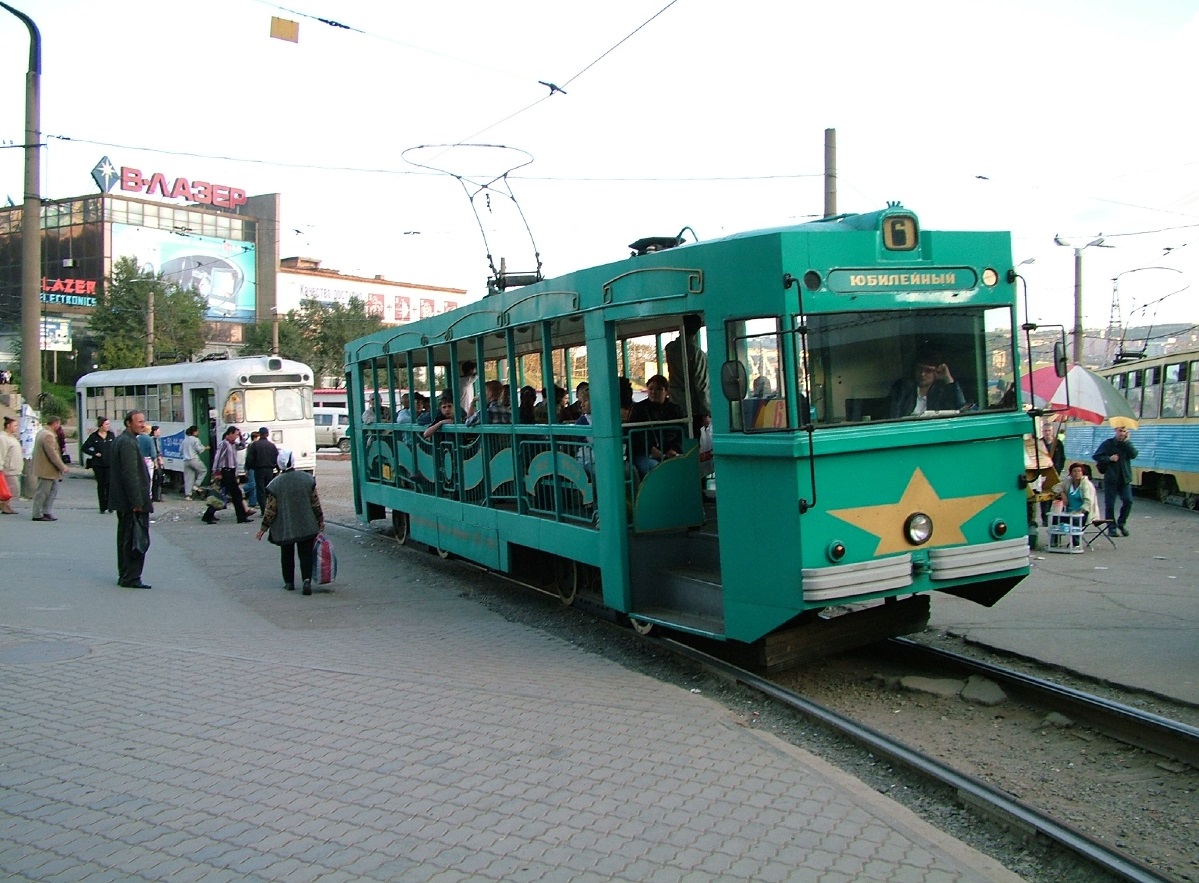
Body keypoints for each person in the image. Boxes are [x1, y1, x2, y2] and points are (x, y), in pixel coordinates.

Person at [256, 449, 325, 595]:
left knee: (286, 553)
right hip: (306, 524)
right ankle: (306, 579)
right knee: (305, 553)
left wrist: (263, 528)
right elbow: (315, 503)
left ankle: (289, 582)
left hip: (285, 526)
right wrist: (320, 520)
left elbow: (271, 510)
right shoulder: (307, 479)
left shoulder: (274, 484)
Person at [109, 410, 152, 588]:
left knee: (127, 538)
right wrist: (137, 502)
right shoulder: (127, 442)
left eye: (143, 421)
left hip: (126, 501)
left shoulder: (126, 440)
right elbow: (130, 474)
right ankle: (131, 576)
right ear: (128, 423)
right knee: (134, 540)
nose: (143, 425)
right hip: (131, 502)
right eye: (139, 421)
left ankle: (126, 575)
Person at [628, 374, 685, 475]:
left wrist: (674, 449)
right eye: (651, 389)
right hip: (644, 453)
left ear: (666, 391)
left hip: (670, 452)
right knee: (655, 468)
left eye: (659, 389)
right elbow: (635, 435)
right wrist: (651, 449)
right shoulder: (639, 408)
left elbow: (682, 432)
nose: (654, 392)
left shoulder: (675, 410)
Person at [666, 314, 712, 439]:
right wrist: (706, 412)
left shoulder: (670, 348)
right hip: (693, 409)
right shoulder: (697, 353)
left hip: (674, 403)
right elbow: (701, 385)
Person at [889, 350, 967, 417]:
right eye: (919, 369)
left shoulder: (942, 391)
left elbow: (961, 408)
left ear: (937, 373)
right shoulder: (903, 388)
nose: (922, 374)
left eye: (928, 371)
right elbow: (895, 416)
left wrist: (948, 378)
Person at [202, 426, 255, 525]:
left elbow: (242, 446)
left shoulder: (233, 444)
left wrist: (241, 436)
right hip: (225, 471)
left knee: (233, 494)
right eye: (235, 434)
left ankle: (240, 516)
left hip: (231, 471)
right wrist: (216, 472)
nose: (235, 436)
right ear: (230, 433)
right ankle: (240, 517)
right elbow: (218, 458)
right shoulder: (224, 444)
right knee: (227, 494)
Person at [1093, 425, 1138, 536]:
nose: (1121, 433)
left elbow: (1134, 454)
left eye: (1124, 431)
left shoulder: (1127, 444)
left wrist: (1127, 442)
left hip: (1124, 478)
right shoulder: (1108, 443)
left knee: (1128, 501)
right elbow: (1096, 456)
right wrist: (1109, 458)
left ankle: (1121, 523)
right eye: (1119, 431)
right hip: (1111, 478)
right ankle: (1111, 528)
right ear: (1115, 431)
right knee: (1110, 504)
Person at [32, 415, 68, 522]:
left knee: (52, 490)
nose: (58, 427)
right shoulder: (48, 435)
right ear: (55, 423)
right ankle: (38, 513)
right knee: (43, 493)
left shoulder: (42, 432)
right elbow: (53, 454)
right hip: (47, 470)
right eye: (58, 424)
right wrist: (62, 466)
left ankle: (46, 511)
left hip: (47, 470)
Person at [80, 415, 116, 513]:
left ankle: (110, 505)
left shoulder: (111, 435)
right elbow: (84, 448)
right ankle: (102, 506)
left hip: (109, 464)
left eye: (109, 424)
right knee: (101, 485)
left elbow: (115, 447)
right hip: (98, 464)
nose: (108, 426)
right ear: (101, 425)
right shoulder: (94, 436)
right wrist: (94, 453)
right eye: (106, 424)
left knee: (109, 484)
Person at [1051, 462, 1098, 528]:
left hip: (1083, 514)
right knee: (1056, 518)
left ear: (1082, 473)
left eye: (1079, 471)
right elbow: (1055, 488)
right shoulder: (1068, 482)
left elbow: (1088, 502)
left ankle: (1076, 538)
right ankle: (1055, 538)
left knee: (1075, 521)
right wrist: (1062, 493)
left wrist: (1079, 512)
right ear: (1071, 473)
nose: (1077, 473)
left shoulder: (1086, 484)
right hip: (1069, 513)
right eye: (1074, 471)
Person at [1038, 419, 1067, 526]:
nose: (1047, 433)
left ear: (1052, 431)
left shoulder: (1058, 443)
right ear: (1042, 431)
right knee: (1043, 495)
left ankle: (1051, 515)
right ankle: (1044, 517)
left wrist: (1059, 469)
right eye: (1045, 431)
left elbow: (1062, 458)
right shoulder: (1040, 443)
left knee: (1052, 493)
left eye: (1049, 430)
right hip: (1043, 473)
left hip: (1055, 472)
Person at [245, 426, 279, 509]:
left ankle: (263, 508)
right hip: (269, 470)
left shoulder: (254, 445)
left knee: (260, 489)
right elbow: (277, 457)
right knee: (269, 488)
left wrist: (248, 468)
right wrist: (278, 469)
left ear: (259, 434)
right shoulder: (272, 445)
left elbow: (249, 458)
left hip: (258, 470)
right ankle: (270, 507)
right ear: (267, 434)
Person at [180, 424, 208, 499]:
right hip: (194, 459)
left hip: (186, 461)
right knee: (203, 470)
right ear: (194, 432)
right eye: (197, 431)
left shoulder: (185, 440)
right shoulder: (195, 440)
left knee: (188, 478)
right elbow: (199, 449)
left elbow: (180, 450)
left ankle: (188, 495)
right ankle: (196, 485)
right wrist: (205, 448)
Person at [0, 415, 21, 515]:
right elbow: (1, 453)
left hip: (14, 468)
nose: (16, 427)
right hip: (8, 468)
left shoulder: (11, 437)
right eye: (15, 425)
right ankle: (4, 505)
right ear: (8, 426)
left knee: (12, 489)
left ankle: (6, 505)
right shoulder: (3, 438)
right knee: (10, 489)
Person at [148, 425, 165, 502]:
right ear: (155, 431)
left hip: (154, 460)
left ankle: (156, 496)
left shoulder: (155, 439)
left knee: (155, 478)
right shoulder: (153, 439)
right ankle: (156, 496)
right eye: (158, 430)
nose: (160, 432)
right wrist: (159, 459)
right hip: (154, 461)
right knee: (157, 478)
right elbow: (156, 451)